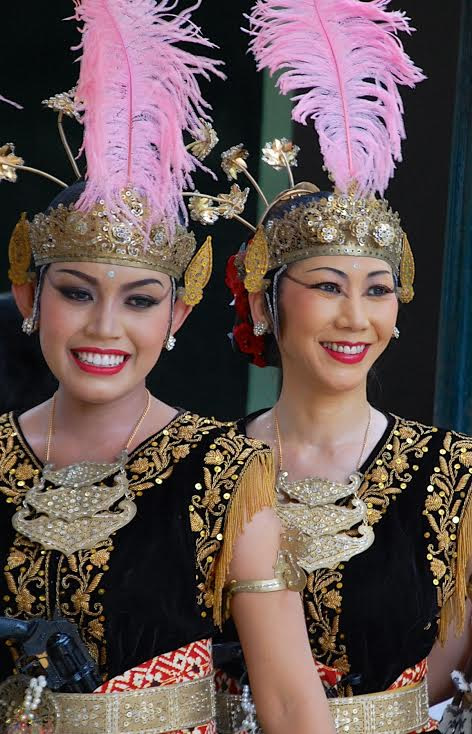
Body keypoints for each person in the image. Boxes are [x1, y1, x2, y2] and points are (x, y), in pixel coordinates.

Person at [0, 2, 336, 733]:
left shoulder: (227, 473)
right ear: (30, 293)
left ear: (177, 314)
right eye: (76, 292)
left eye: (140, 300)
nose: (104, 328)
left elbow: (287, 701)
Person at [191, 1, 472, 732]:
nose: (356, 317)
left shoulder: (456, 473)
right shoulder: (199, 466)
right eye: (326, 287)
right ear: (263, 303)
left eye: (377, 290)